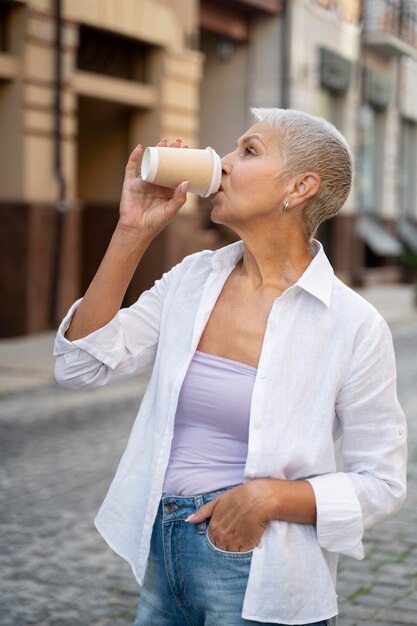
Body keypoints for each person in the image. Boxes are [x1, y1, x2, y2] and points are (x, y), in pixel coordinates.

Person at [54, 108, 407, 626]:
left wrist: (269, 498)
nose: (221, 163)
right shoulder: (194, 278)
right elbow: (80, 367)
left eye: (249, 151)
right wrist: (132, 232)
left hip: (260, 568)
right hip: (161, 553)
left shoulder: (354, 324)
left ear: (300, 186)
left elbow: (381, 480)